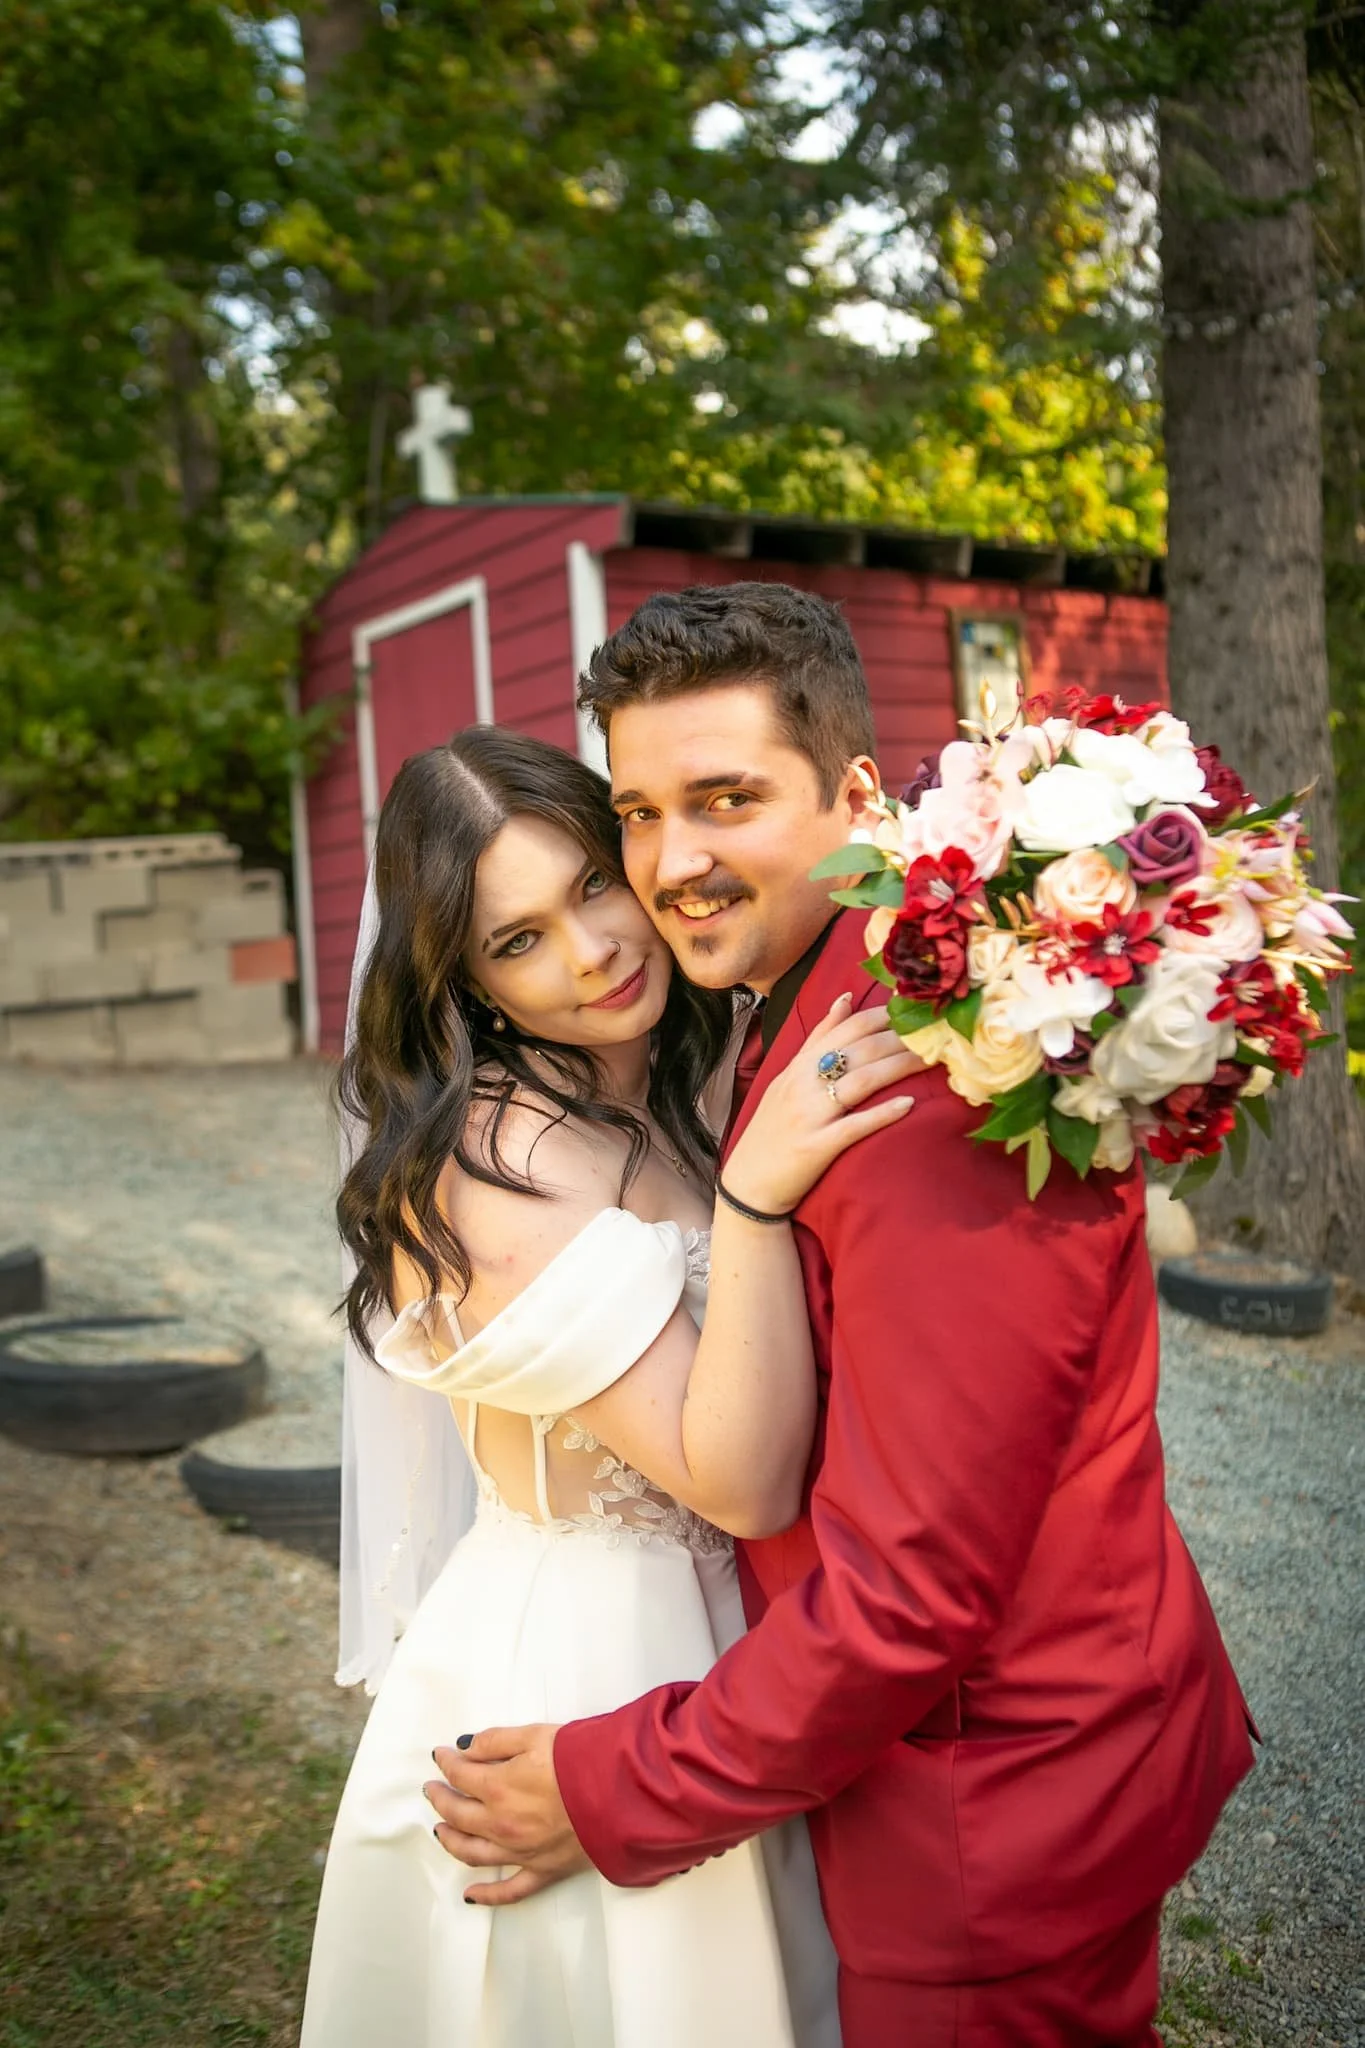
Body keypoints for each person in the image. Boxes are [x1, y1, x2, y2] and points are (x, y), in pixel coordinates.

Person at [425, 582, 1258, 2048]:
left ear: (860, 794)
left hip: (991, 1813)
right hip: (962, 1759)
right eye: (638, 811)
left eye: (727, 798)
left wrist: (613, 1788)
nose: (672, 862)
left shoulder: (923, 1089)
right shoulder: (821, 1002)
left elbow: (911, 1592)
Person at [300, 723, 921, 2048]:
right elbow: (742, 1481)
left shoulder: (683, 1071)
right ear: (463, 985)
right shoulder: (493, 1176)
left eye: (591, 883)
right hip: (590, 1662)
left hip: (748, 1653)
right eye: (518, 940)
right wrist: (755, 1198)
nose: (593, 951)